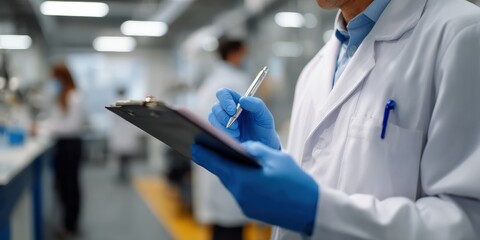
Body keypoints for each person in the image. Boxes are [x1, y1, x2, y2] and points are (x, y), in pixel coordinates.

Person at [191, 0, 480, 239]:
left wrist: (317, 210)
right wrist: (272, 156)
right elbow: (327, 171)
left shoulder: (462, 34)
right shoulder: (315, 69)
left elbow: (467, 223)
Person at [192, 38, 250, 240]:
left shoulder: (211, 81)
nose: (245, 59)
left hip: (212, 161)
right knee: (231, 228)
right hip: (230, 160)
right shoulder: (236, 80)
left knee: (219, 228)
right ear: (234, 54)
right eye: (244, 54)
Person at [48, 64, 86, 238]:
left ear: (62, 77)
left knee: (71, 187)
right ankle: (67, 222)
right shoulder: (62, 96)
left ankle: (71, 225)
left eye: (55, 78)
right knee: (63, 186)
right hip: (62, 145)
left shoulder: (74, 97)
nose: (53, 82)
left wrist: (47, 129)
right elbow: (57, 121)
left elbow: (71, 126)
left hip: (71, 145)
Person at [108, 87, 142, 182]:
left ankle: (123, 173)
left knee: (122, 157)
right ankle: (124, 173)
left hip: (122, 134)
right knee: (126, 157)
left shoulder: (114, 103)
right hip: (125, 134)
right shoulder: (130, 103)